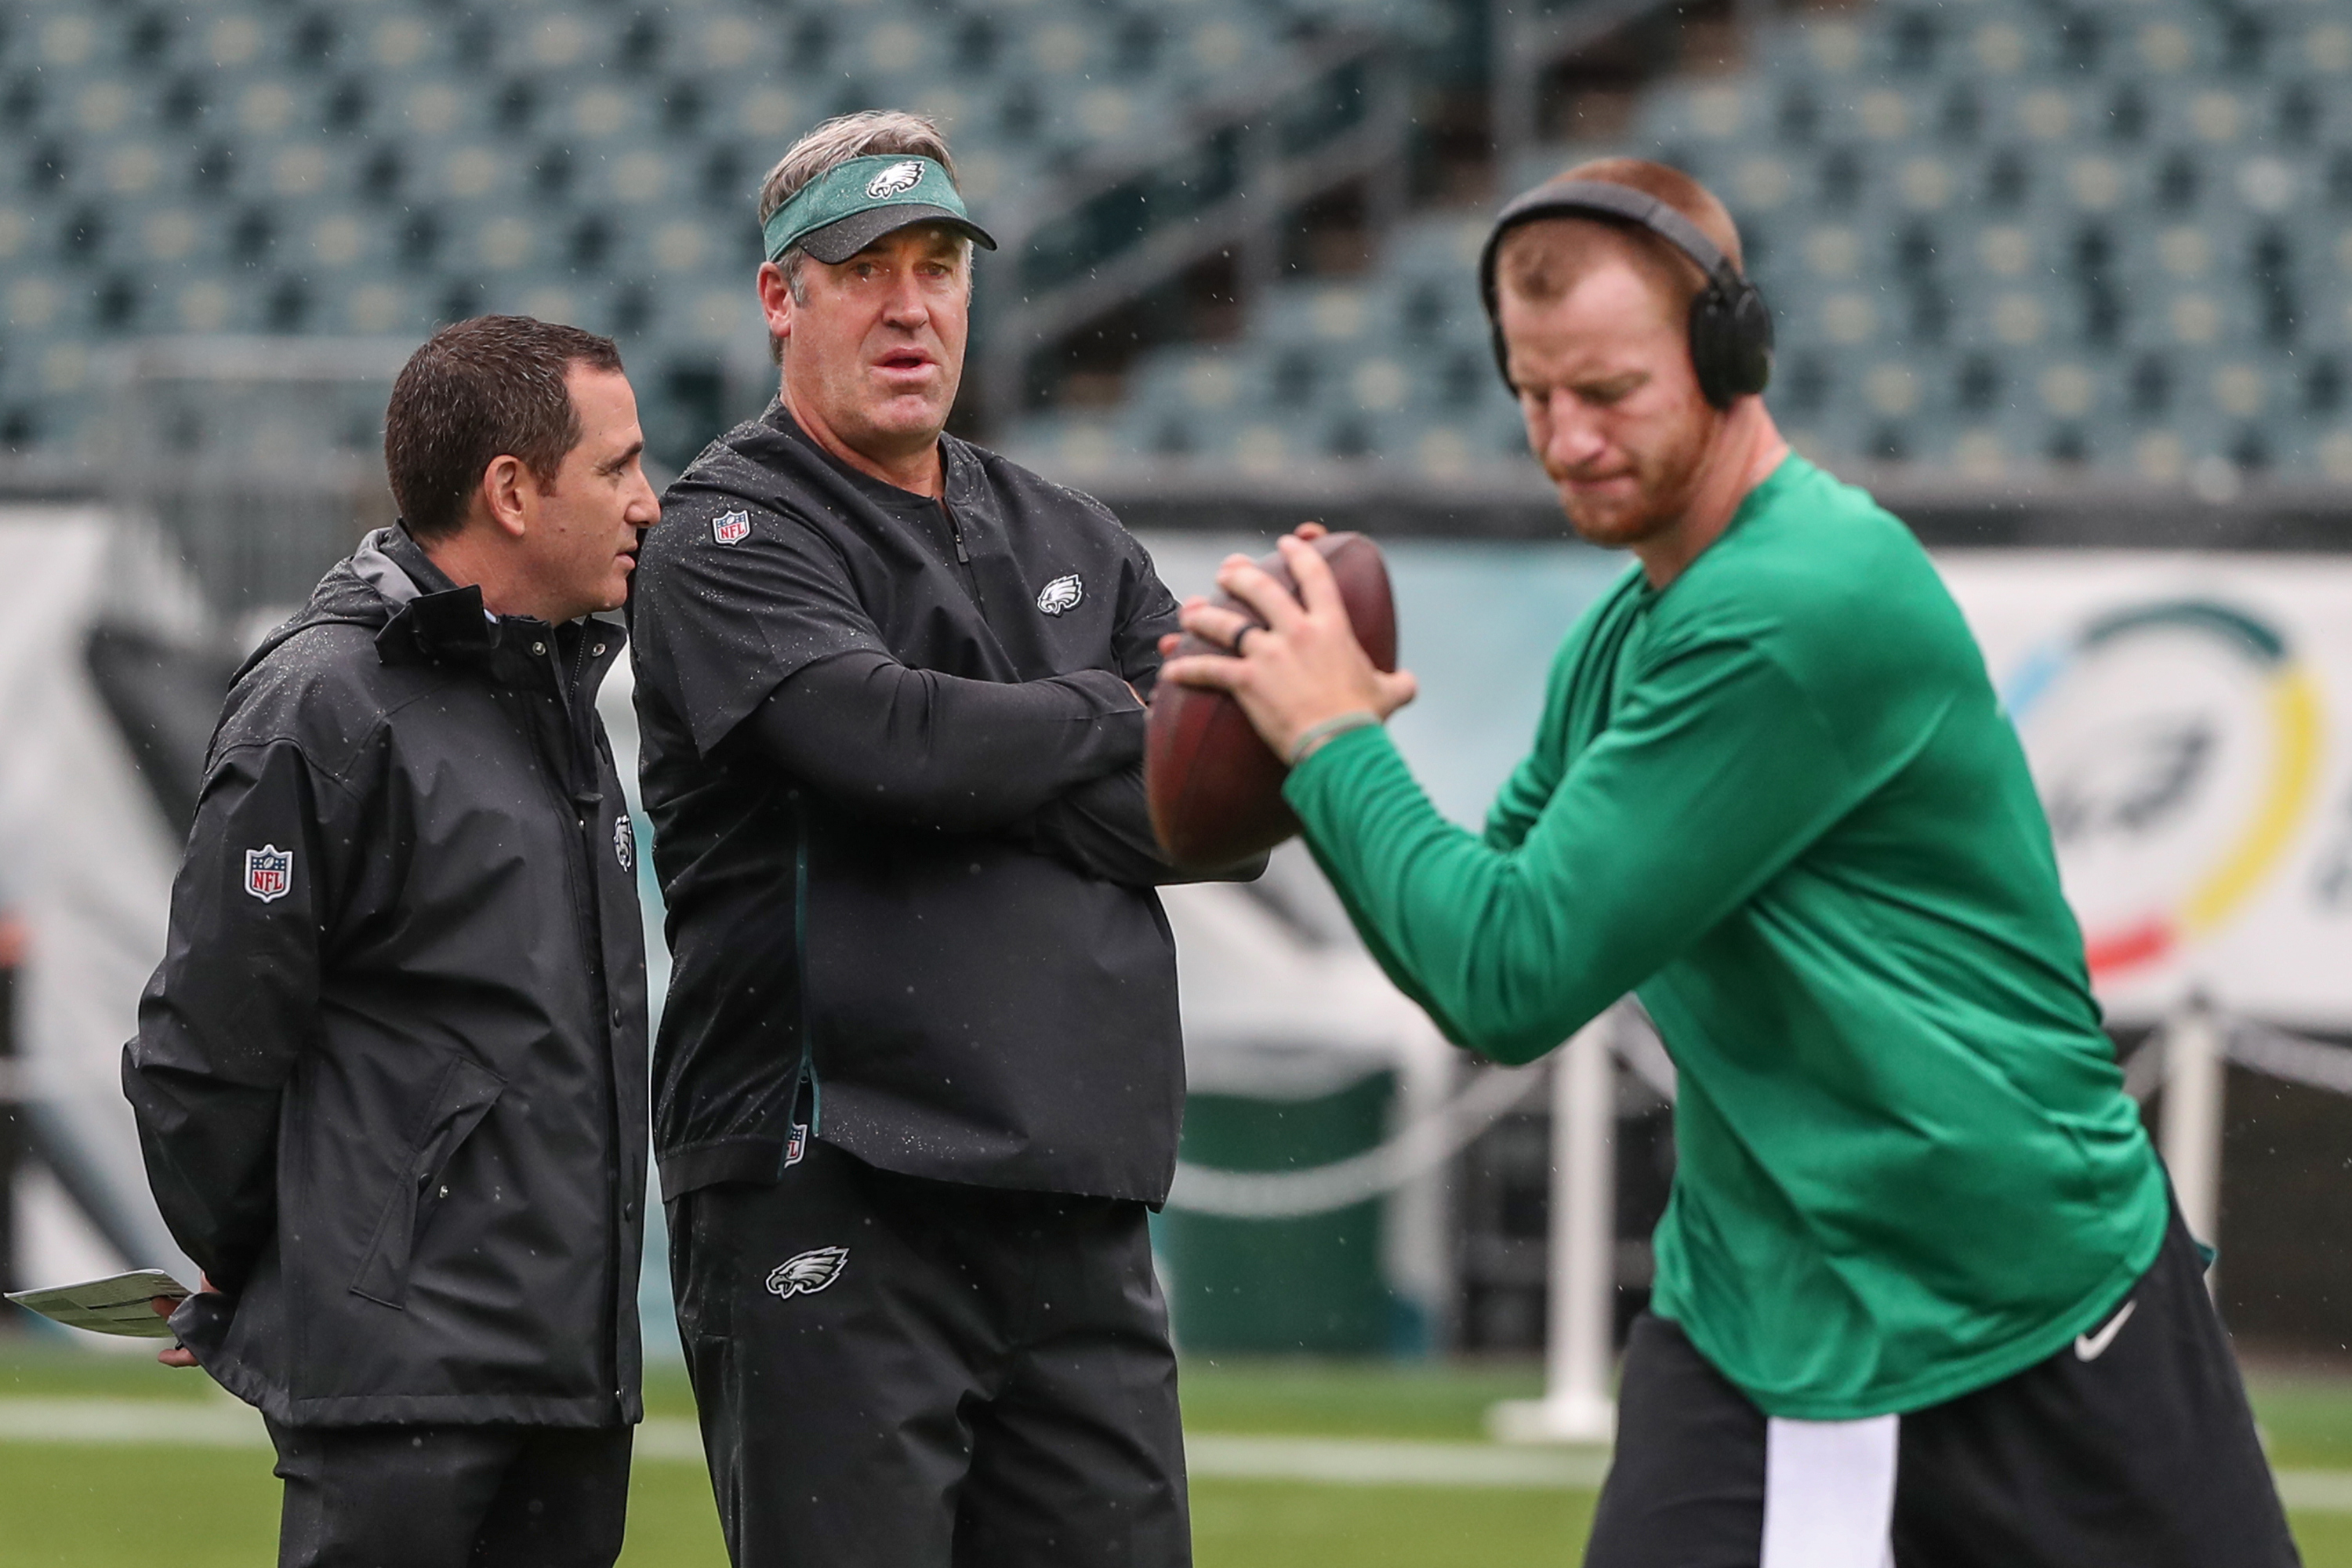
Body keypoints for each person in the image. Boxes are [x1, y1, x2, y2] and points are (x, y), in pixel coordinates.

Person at [1164, 158, 2298, 1568]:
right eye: (1533, 395)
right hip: (1760, 1309)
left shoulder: (1790, 608)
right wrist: (1311, 765)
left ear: (1729, 355)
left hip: (2017, 1299)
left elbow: (1510, 973)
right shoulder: (1632, 630)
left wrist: (1332, 746)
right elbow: (1476, 933)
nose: (1566, 438)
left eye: (1609, 391)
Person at [627, 110, 1252, 1568]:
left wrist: (993, 755)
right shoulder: (730, 529)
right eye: (864, 270)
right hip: (830, 1177)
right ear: (781, 299)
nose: (912, 306)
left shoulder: (1069, 530)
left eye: (940, 265)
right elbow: (879, 744)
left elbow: (1221, 811)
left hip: (1072, 1195)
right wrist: (1114, 712)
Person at [123, 315, 659, 1568]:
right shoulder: (322, 705)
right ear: (513, 493)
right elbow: (205, 1045)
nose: (649, 502)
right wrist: (304, 1262)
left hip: (569, 1379)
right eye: (620, 466)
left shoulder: (561, 690)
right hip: (400, 1388)